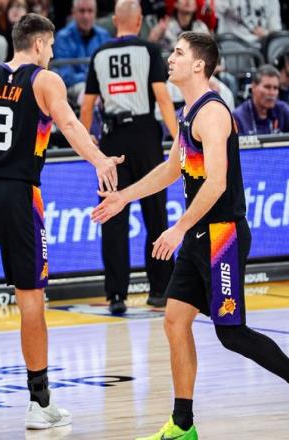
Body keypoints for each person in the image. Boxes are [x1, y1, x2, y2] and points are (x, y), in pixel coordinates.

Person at [92, 31, 289, 440]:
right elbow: (172, 170)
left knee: (232, 334)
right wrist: (123, 197)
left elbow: (217, 183)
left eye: (178, 53)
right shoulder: (188, 111)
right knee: (174, 321)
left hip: (222, 236)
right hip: (199, 235)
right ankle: (183, 424)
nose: (170, 58)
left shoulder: (213, 113)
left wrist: (179, 227)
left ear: (199, 65)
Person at [0, 13, 123, 431]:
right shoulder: (45, 80)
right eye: (50, 46)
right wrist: (100, 159)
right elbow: (70, 125)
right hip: (19, 195)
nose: (52, 53)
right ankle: (39, 401)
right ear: (39, 44)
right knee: (30, 297)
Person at [80, 0, 178, 313]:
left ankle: (116, 295)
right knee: (155, 215)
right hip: (145, 136)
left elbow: (87, 104)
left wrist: (86, 139)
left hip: (112, 139)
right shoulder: (149, 50)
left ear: (114, 21)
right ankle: (160, 290)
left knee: (112, 217)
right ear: (139, 21)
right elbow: (162, 97)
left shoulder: (99, 53)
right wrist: (179, 137)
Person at [53, 0, 110, 105]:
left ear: (95, 13)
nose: (86, 16)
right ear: (73, 13)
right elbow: (66, 75)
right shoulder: (63, 38)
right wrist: (91, 77)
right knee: (88, 92)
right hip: (75, 87)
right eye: (82, 11)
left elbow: (108, 68)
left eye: (90, 11)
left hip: (101, 84)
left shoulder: (104, 36)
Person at [233, 64, 289, 135]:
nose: (272, 93)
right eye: (267, 87)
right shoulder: (238, 117)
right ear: (254, 87)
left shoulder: (282, 109)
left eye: (275, 88)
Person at [215, 0, 282, 45]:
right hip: (232, 46)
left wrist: (266, 33)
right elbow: (213, 14)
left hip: (261, 46)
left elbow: (276, 30)